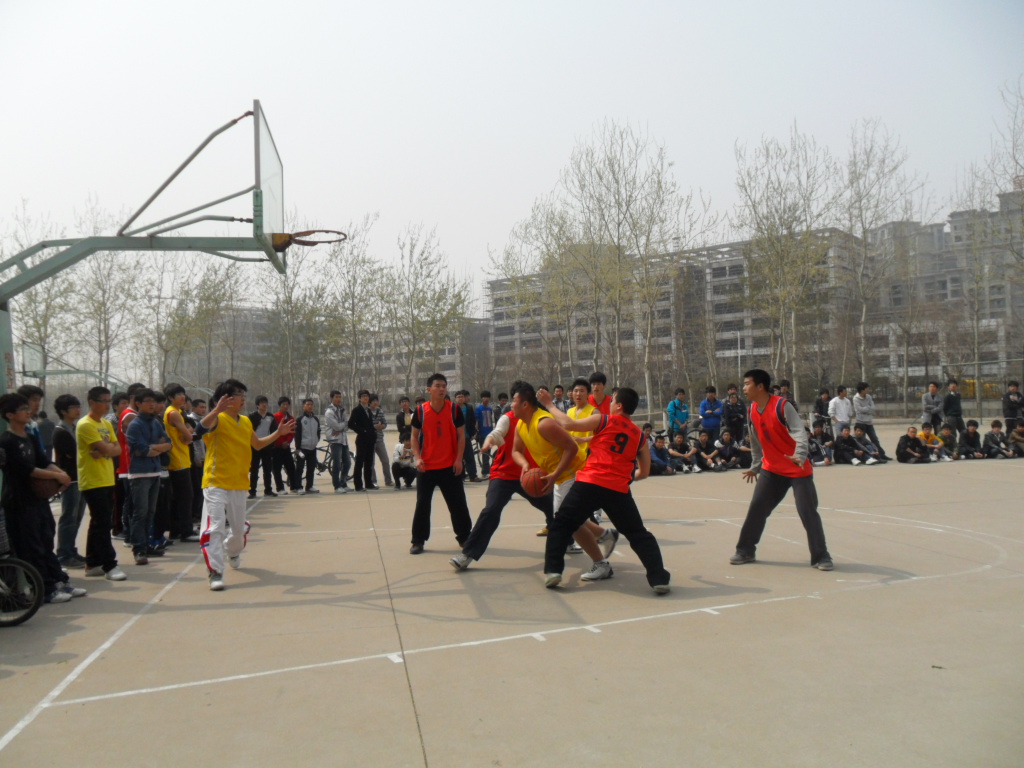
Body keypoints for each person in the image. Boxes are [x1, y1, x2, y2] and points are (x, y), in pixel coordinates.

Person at [539, 387, 671, 594]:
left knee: (562, 523)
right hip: (617, 489)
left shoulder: (604, 420)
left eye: (613, 400)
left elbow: (568, 424)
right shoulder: (639, 436)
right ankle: (658, 578)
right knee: (638, 534)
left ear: (619, 406)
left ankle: (553, 571)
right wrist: (626, 476)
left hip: (590, 482)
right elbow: (644, 472)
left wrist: (548, 404)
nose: (610, 403)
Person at [729, 369, 834, 571]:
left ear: (760, 386)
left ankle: (821, 556)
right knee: (757, 508)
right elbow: (756, 440)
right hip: (771, 469)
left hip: (797, 468)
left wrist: (800, 454)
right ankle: (745, 550)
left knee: (807, 512)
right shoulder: (752, 409)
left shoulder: (782, 406)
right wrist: (756, 466)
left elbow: (799, 432)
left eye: (747, 384)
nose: (743, 388)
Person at [195, 378, 294, 591]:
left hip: (239, 483)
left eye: (243, 395)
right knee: (215, 527)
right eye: (239, 394)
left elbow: (257, 444)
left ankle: (233, 551)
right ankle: (215, 571)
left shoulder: (246, 421)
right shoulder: (217, 419)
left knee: (238, 532)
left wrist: (278, 434)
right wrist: (216, 409)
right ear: (226, 398)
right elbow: (200, 428)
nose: (243, 399)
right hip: (215, 482)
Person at [448, 405, 558, 571]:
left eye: (519, 401)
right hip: (504, 474)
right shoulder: (508, 418)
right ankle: (467, 554)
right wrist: (489, 441)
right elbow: (497, 433)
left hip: (531, 474)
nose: (514, 405)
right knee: (491, 510)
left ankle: (566, 540)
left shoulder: (543, 420)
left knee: (554, 508)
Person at [0, 393, 83, 603]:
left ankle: (58, 580)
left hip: (37, 500)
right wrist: (57, 476)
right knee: (32, 546)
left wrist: (61, 473)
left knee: (46, 539)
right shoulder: (7, 441)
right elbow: (27, 470)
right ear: (10, 415)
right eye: (22, 409)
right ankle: (44, 590)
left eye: (27, 408)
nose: (28, 412)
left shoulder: (28, 436)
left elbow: (43, 460)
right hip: (19, 502)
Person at [408, 373, 473, 554]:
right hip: (426, 467)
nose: (441, 389)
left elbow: (461, 436)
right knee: (422, 505)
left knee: (458, 505)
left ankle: (465, 538)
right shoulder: (420, 411)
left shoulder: (454, 409)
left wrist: (458, 459)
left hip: (450, 467)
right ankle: (418, 541)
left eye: (444, 386)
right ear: (429, 389)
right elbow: (414, 436)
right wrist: (418, 458)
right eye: (437, 386)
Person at [76, 386, 128, 581]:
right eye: (103, 401)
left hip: (107, 477)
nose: (107, 405)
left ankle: (92, 563)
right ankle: (109, 565)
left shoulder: (105, 424)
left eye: (108, 401)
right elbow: (108, 448)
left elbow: (117, 449)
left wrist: (107, 449)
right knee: (103, 523)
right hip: (92, 480)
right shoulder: (85, 424)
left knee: (99, 523)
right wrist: (108, 448)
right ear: (92, 402)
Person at [125, 389, 174, 565]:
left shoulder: (155, 422)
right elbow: (141, 450)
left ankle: (146, 545)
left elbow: (169, 443)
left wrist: (155, 448)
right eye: (147, 401)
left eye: (154, 401)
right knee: (140, 512)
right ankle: (138, 549)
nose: (152, 404)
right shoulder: (135, 425)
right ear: (138, 403)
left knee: (150, 512)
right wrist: (156, 448)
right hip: (140, 473)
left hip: (155, 471)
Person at [52, 394, 87, 568]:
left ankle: (71, 550)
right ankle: (64, 554)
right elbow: (75, 455)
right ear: (63, 411)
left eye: (78, 406)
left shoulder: (74, 428)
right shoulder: (61, 432)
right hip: (70, 480)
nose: (78, 410)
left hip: (80, 478)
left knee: (77, 517)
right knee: (69, 518)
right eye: (73, 407)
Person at [163, 384, 197, 541]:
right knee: (185, 497)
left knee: (178, 498)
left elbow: (187, 435)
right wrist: (189, 432)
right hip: (178, 459)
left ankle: (176, 530)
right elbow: (188, 437)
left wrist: (187, 433)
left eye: (183, 394)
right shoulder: (174, 413)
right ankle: (186, 531)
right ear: (170, 397)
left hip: (179, 458)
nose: (182, 397)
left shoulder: (176, 412)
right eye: (178, 395)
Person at [247, 395, 278, 498]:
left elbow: (274, 431)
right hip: (255, 446)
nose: (264, 405)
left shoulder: (270, 416)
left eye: (265, 403)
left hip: (267, 446)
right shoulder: (252, 417)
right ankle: (252, 491)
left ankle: (268, 490)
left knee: (267, 469)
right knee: (254, 469)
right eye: (262, 403)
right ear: (257, 405)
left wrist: (272, 443)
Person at [348, 390, 378, 491]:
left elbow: (370, 424)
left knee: (369, 463)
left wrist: (373, 433)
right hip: (361, 439)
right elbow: (351, 424)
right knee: (359, 463)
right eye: (363, 396)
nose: (366, 398)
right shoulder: (356, 410)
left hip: (370, 439)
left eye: (367, 396)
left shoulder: (368, 410)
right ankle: (358, 485)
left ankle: (369, 483)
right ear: (359, 398)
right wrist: (362, 431)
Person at [322, 391, 350, 494]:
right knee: (337, 464)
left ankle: (343, 483)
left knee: (347, 463)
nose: (339, 399)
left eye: (340, 397)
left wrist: (341, 428)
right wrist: (342, 427)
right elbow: (337, 426)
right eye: (336, 397)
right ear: (332, 398)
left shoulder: (342, 410)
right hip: (335, 440)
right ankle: (337, 486)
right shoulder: (329, 412)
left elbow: (347, 425)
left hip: (343, 440)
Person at [852, 382, 889, 460]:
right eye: (867, 388)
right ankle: (866, 456)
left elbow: (873, 407)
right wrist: (868, 408)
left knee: (874, 439)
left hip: (869, 422)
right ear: (862, 390)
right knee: (862, 441)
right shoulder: (856, 398)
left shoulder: (868, 397)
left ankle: (881, 454)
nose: (868, 389)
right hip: (860, 422)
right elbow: (859, 409)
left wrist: (866, 409)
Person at [271, 397, 299, 494]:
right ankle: (280, 488)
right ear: (280, 406)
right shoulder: (275, 417)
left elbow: (292, 432)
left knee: (291, 467)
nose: (285, 406)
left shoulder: (291, 418)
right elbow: (274, 432)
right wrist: (280, 442)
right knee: (277, 469)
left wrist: (287, 442)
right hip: (276, 447)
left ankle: (293, 487)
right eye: (283, 404)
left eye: (287, 404)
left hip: (286, 447)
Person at [294, 398, 321, 494]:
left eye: (311, 404)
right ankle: (298, 487)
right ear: (303, 406)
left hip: (312, 448)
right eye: (308, 404)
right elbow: (297, 435)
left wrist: (316, 440)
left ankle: (309, 486)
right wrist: (297, 448)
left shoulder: (315, 419)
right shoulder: (300, 419)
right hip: (302, 448)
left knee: (311, 468)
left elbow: (318, 432)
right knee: (300, 468)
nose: (310, 406)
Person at [368, 394, 395, 487]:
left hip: (379, 439)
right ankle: (373, 481)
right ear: (370, 402)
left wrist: (382, 426)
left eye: (376, 401)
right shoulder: (367, 412)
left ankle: (388, 480)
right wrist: (374, 427)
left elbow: (385, 423)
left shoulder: (380, 411)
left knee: (385, 460)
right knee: (371, 462)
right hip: (370, 440)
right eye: (373, 401)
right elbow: (366, 425)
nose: (375, 403)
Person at [453, 390, 479, 483]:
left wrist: (472, 433)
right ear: (455, 399)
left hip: (466, 436)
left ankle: (473, 476)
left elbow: (472, 421)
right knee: (458, 457)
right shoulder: (453, 408)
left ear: (464, 398)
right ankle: (460, 476)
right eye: (458, 397)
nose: (460, 398)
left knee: (469, 457)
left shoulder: (469, 408)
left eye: (462, 397)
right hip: (456, 437)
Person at [474, 390, 495, 478]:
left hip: (489, 433)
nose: (486, 399)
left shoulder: (490, 409)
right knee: (485, 453)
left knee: (488, 453)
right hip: (482, 434)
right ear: (482, 398)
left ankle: (486, 470)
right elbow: (477, 422)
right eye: (484, 397)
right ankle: (485, 471)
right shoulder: (479, 409)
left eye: (487, 397)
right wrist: (476, 432)